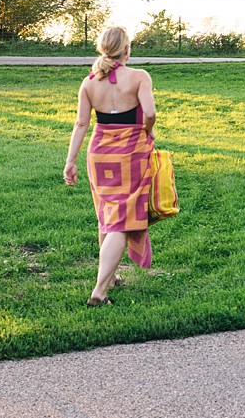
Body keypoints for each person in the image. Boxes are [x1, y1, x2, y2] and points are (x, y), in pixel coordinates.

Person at [64, 26, 157, 306]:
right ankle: (99, 291)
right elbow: (150, 112)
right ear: (127, 49)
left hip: (100, 154)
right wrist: (148, 130)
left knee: (106, 214)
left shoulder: (89, 82)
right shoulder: (139, 77)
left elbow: (81, 123)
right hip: (131, 153)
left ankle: (111, 275)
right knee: (121, 221)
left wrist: (70, 161)